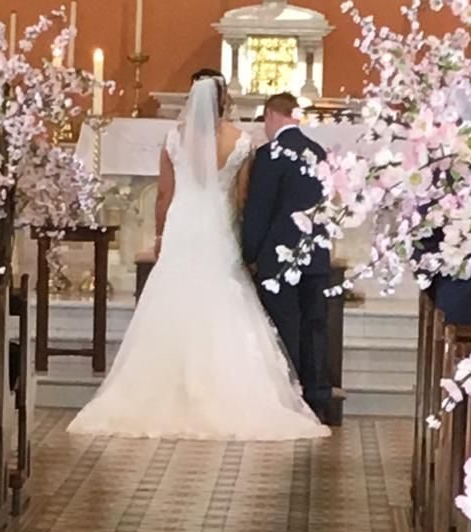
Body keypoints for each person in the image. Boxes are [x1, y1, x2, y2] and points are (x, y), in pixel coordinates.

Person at [68, 75, 326, 441]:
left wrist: (159, 236)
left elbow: (163, 194)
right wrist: (243, 240)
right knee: (223, 302)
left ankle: (161, 391)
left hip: (183, 225)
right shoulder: (241, 141)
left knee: (173, 299)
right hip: (218, 228)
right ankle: (230, 392)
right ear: (225, 104)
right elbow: (242, 198)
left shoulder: (174, 138)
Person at [241, 92, 332, 421]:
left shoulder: (272, 154)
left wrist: (249, 252)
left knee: (284, 326)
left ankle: (288, 396)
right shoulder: (318, 151)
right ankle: (318, 395)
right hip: (316, 256)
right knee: (315, 326)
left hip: (279, 260)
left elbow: (259, 210)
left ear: (269, 115)